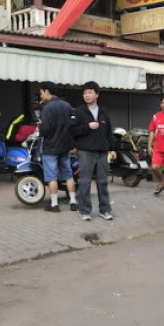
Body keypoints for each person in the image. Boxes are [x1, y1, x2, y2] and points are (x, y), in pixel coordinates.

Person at [70, 81, 117, 221]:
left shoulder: (103, 111)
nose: (87, 95)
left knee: (103, 182)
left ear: (97, 94)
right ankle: (84, 211)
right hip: (85, 152)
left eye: (90, 92)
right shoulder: (79, 111)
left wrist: (112, 149)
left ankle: (105, 210)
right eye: (84, 93)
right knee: (84, 182)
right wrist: (87, 126)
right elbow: (72, 131)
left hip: (102, 152)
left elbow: (109, 132)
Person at [38, 82, 77, 212]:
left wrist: (40, 127)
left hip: (51, 147)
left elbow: (45, 130)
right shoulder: (67, 106)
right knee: (68, 175)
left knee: (51, 176)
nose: (41, 95)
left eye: (41, 92)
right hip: (65, 147)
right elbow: (73, 126)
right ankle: (73, 202)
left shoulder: (47, 108)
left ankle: (54, 205)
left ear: (47, 91)